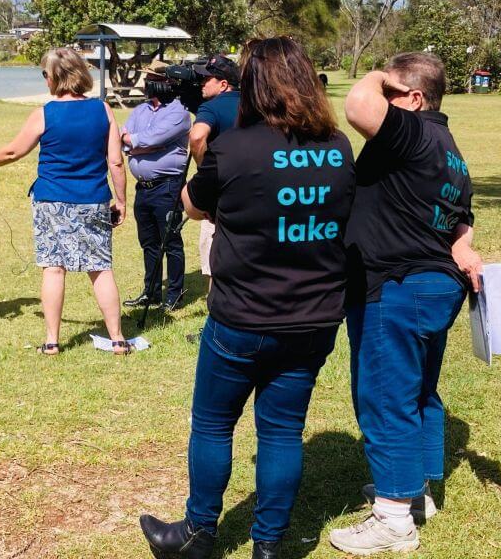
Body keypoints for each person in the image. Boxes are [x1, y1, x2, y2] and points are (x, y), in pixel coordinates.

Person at [139, 37, 357, 559]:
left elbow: (193, 205)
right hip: (313, 317)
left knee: (214, 424)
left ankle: (197, 533)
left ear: (253, 86)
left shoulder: (234, 147)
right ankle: (269, 546)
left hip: (241, 317)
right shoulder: (339, 146)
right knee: (283, 431)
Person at [329, 52, 483, 555]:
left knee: (385, 396)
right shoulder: (451, 149)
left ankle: (394, 519)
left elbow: (357, 105)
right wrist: (463, 244)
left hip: (397, 286)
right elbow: (463, 216)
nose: (382, 95)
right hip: (433, 287)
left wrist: (377, 74)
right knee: (419, 393)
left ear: (415, 98)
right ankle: (417, 493)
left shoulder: (413, 131)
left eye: (391, 91)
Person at [0, 47, 132, 355]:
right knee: (100, 268)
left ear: (55, 77)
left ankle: (52, 341)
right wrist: (121, 200)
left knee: (54, 268)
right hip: (94, 199)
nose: (44, 79)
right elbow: (115, 161)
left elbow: (14, 152)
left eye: (45, 74)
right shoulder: (103, 110)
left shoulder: (45, 113)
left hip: (52, 202)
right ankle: (118, 339)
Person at [121, 60, 192, 311]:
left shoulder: (179, 112)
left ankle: (174, 294)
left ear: (165, 82)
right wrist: (136, 143)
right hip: (144, 188)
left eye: (150, 78)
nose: (145, 83)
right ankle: (151, 293)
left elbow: (152, 139)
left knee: (170, 241)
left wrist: (137, 143)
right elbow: (123, 137)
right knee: (149, 242)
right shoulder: (140, 110)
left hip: (167, 186)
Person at [189, 54, 240, 285]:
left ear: (223, 84)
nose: (201, 83)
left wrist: (203, 170)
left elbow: (197, 137)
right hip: (254, 185)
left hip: (221, 189)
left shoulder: (211, 107)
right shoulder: (255, 103)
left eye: (206, 79)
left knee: (215, 256)